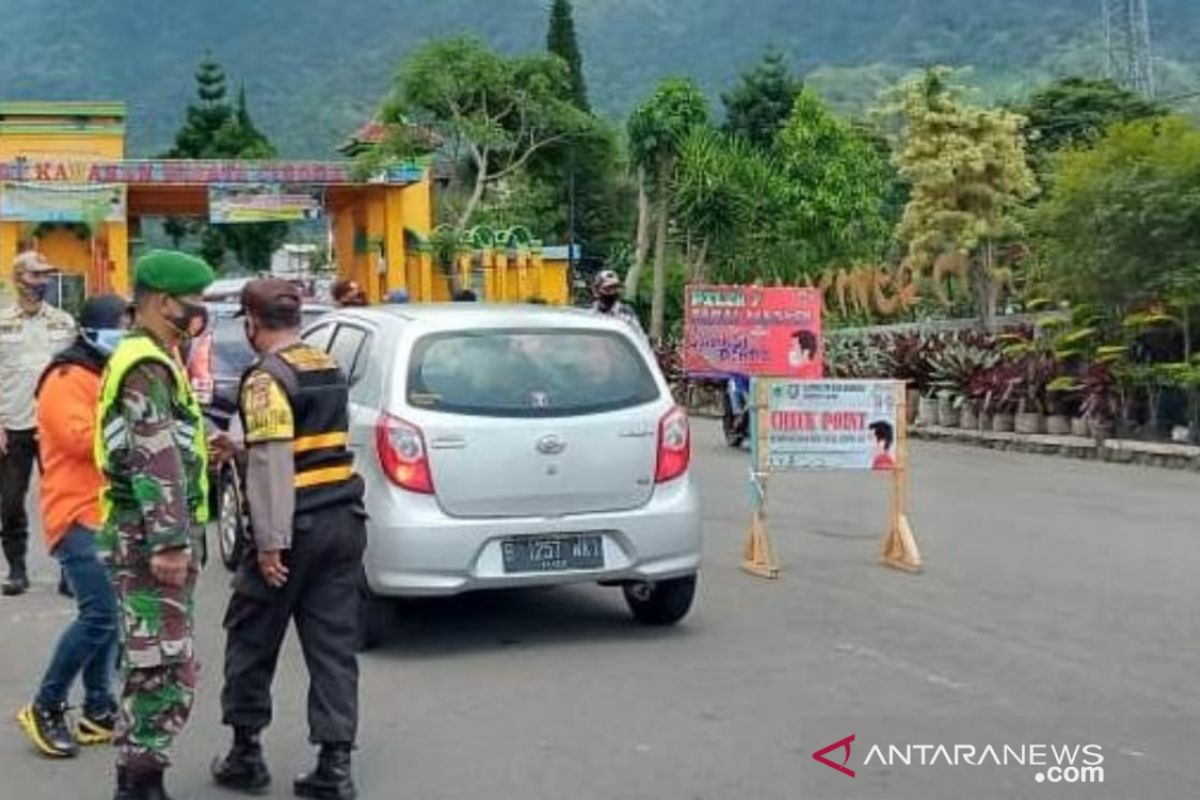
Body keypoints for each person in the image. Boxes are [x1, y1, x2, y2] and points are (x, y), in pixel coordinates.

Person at [211, 278, 367, 800]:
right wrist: (235, 443)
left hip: (292, 527)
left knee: (252, 639)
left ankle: (245, 754)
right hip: (341, 522)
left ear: (252, 323)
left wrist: (271, 544)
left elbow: (275, 461)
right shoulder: (325, 365)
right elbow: (304, 437)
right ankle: (335, 765)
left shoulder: (263, 379)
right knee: (333, 647)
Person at [95, 250, 215, 800]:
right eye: (197, 302)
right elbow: (153, 455)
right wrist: (169, 541)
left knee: (156, 664)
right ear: (166, 302)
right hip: (150, 542)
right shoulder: (146, 365)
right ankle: (140, 784)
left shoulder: (148, 356)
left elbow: (167, 445)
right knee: (165, 671)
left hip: (141, 534)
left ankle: (138, 778)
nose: (201, 313)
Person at [15, 295, 130, 758]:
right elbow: (83, 441)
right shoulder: (66, 377)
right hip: (76, 513)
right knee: (99, 614)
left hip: (105, 511)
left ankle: (98, 708)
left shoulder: (103, 373)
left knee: (110, 618)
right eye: (120, 326)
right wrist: (133, 424)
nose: (126, 334)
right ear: (95, 329)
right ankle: (45, 706)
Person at [0, 251, 77, 596]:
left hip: (55, 427)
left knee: (62, 501)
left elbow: (78, 374)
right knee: (11, 502)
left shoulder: (64, 323)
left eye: (46, 276)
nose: (42, 283)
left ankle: (68, 571)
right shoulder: (2, 323)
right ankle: (16, 569)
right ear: (18, 279)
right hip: (12, 424)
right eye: (35, 276)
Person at [589, 270, 645, 336]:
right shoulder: (588, 313)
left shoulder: (626, 313)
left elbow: (639, 336)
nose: (612, 292)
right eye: (608, 289)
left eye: (615, 288)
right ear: (596, 290)